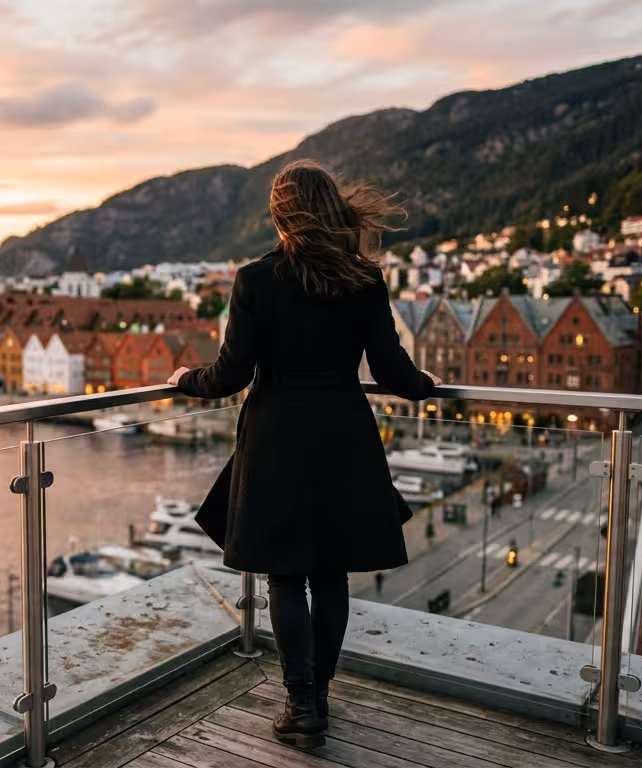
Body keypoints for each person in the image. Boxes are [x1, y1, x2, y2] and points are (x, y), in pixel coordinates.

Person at [169, 159, 439, 749]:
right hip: (344, 430)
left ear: (279, 212)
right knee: (331, 571)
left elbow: (231, 374)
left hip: (278, 435)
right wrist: (428, 384)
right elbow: (392, 369)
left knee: (285, 575)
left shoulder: (255, 280)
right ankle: (321, 694)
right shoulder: (364, 279)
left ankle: (302, 705)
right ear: (331, 206)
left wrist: (185, 379)